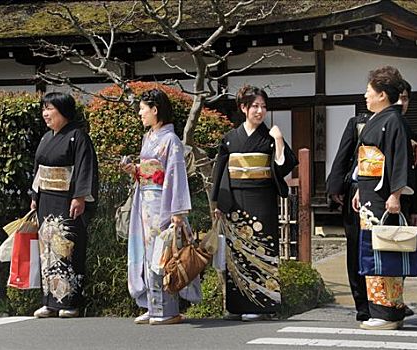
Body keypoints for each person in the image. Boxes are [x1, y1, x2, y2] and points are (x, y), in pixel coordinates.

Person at [211, 85, 298, 322]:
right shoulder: (230, 139)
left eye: (263, 106)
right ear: (243, 108)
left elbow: (283, 167)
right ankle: (238, 305)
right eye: (255, 106)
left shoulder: (269, 138)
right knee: (237, 252)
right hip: (236, 202)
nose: (260, 111)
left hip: (262, 200)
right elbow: (220, 171)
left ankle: (263, 305)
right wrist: (218, 202)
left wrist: (279, 140)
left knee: (263, 249)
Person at [121, 88, 195, 326]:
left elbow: (175, 175)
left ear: (155, 110)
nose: (140, 113)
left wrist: (177, 211)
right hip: (144, 202)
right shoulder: (149, 137)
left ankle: (167, 309)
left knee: (162, 253)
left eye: (143, 109)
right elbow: (149, 171)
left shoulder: (171, 139)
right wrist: (135, 171)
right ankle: (151, 305)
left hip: (162, 204)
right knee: (146, 252)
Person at [351, 66, 415, 330]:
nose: (366, 96)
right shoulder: (379, 118)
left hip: (382, 196)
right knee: (372, 249)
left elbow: (400, 159)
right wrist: (358, 188)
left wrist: (395, 194)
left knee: (383, 250)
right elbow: (366, 161)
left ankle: (387, 311)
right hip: (369, 193)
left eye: (369, 92)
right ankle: (385, 309)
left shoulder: (394, 120)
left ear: (382, 95)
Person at [31, 92, 99, 318]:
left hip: (67, 200)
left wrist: (80, 197)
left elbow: (84, 168)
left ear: (63, 110)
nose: (45, 114)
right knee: (47, 250)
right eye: (44, 109)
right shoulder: (45, 138)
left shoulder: (78, 136)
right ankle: (49, 301)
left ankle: (70, 301)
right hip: (46, 200)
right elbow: (38, 169)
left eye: (50, 109)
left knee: (67, 248)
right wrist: (34, 194)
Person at [326, 113, 370, 322]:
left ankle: (388, 299)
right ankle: (362, 303)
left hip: (388, 193)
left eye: (406, 99)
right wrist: (335, 188)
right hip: (356, 192)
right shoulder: (359, 122)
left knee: (389, 248)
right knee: (356, 247)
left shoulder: (401, 125)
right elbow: (344, 153)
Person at [398, 80, 417, 227]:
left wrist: (416, 210)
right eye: (398, 98)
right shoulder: (374, 129)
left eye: (405, 98)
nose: (401, 103)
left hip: (404, 201)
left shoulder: (412, 135)